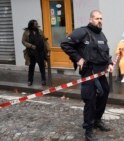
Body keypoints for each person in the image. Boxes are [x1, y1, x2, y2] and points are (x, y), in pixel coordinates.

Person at [60, 10, 113, 141]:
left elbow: (105, 52)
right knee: (90, 99)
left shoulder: (101, 35)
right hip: (89, 71)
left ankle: (97, 120)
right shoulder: (82, 32)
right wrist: (78, 59)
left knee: (104, 93)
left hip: (100, 71)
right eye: (96, 18)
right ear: (90, 19)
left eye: (101, 18)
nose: (99, 21)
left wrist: (110, 63)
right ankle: (88, 130)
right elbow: (65, 43)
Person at [22, 20, 49, 86]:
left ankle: (43, 80)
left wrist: (48, 50)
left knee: (42, 67)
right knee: (31, 67)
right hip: (32, 53)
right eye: (35, 24)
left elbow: (45, 40)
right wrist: (31, 46)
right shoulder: (26, 32)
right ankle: (30, 81)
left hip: (40, 52)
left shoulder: (40, 31)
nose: (37, 25)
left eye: (37, 24)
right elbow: (23, 41)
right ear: (31, 25)